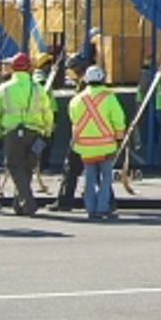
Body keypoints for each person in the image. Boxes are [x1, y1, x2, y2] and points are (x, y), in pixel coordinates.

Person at [0, 52, 55, 216]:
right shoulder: (38, 89)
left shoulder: (4, 89)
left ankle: (27, 201)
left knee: (14, 166)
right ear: (29, 68)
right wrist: (47, 132)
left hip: (12, 133)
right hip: (36, 133)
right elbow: (48, 112)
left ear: (12, 68)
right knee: (27, 167)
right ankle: (19, 204)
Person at [68, 65, 126, 220]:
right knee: (106, 176)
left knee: (89, 177)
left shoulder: (76, 100)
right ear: (102, 78)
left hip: (85, 147)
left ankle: (90, 208)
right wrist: (120, 138)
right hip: (106, 146)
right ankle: (102, 207)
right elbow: (118, 120)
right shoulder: (109, 97)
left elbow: (73, 120)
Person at [49, 53, 95, 212]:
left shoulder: (84, 85)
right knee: (96, 168)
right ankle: (107, 201)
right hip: (94, 133)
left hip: (82, 133)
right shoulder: (93, 84)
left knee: (71, 168)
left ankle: (65, 201)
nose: (72, 73)